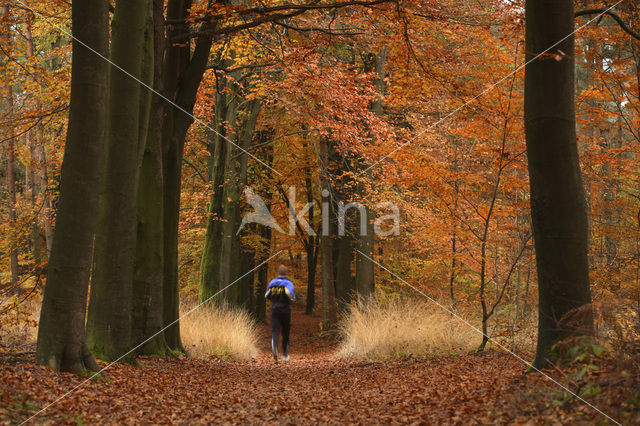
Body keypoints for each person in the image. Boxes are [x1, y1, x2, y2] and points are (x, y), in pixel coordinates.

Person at [265, 264, 295, 362]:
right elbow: (289, 293)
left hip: (274, 310)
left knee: (275, 331)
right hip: (285, 311)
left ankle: (274, 345)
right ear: (286, 273)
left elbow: (266, 295)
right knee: (285, 332)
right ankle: (285, 355)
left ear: (278, 273)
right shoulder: (288, 283)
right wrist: (291, 298)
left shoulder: (272, 283)